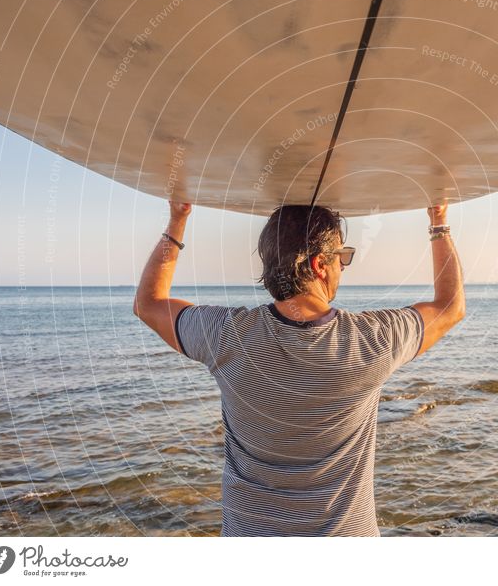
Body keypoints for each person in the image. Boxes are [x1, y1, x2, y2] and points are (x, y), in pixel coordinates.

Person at [133, 201, 465, 536]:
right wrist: (439, 222)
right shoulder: (373, 341)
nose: (343, 267)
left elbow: (149, 304)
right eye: (342, 257)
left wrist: (177, 221)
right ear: (321, 264)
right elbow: (450, 306)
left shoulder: (224, 334)